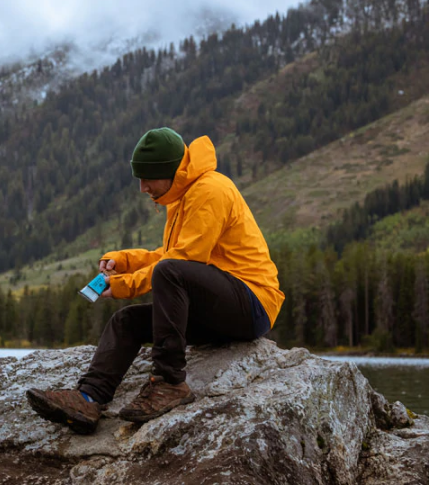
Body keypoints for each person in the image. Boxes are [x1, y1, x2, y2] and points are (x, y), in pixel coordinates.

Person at [26, 127, 284, 434]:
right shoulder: (182, 196)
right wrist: (124, 260)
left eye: (148, 178)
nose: (142, 187)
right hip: (218, 308)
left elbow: (181, 263)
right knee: (127, 321)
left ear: (170, 171)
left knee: (170, 271)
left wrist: (124, 284)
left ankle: (170, 383)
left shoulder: (210, 191)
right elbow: (170, 255)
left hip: (253, 304)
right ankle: (88, 398)